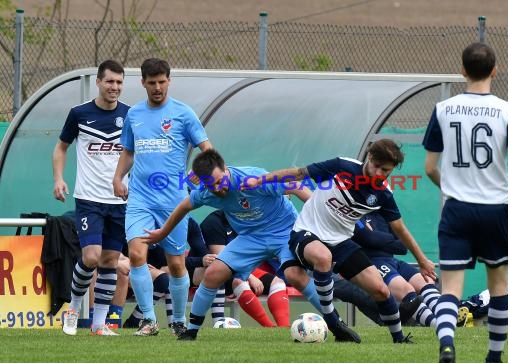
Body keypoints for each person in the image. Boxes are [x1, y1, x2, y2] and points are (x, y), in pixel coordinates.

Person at [143, 149, 357, 342]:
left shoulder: (252, 179)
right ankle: (191, 331)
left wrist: (318, 221)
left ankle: (336, 324)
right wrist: (162, 232)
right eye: (211, 185)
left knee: (294, 276)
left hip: (285, 232)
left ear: (226, 170)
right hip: (250, 237)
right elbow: (183, 207)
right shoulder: (206, 192)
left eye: (220, 182)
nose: (217, 189)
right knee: (213, 273)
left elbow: (296, 187)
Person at [244, 138, 437, 344]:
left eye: (386, 170)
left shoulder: (383, 194)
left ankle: (399, 338)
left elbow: (399, 228)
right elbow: (299, 173)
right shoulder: (342, 167)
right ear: (369, 158)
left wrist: (422, 260)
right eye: (377, 167)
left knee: (381, 290)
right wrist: (260, 180)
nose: (380, 174)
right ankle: (334, 322)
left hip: (341, 242)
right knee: (322, 257)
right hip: (306, 232)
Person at [422, 42, 508, 363]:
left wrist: (451, 190)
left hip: (457, 208)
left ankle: (447, 344)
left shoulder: (443, 109)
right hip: (495, 209)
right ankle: (494, 357)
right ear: (495, 70)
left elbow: (430, 167)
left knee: (450, 287)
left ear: (462, 70)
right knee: (499, 284)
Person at [112, 58, 212, 337]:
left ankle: (178, 320)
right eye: (152, 82)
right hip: (140, 198)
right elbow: (129, 151)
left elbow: (207, 149)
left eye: (162, 82)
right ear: (143, 82)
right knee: (135, 254)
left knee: (177, 263)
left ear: (169, 80)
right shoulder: (134, 115)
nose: (157, 87)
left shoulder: (183, 113)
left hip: (173, 202)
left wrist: (198, 176)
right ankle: (148, 320)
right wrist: (118, 177)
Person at [53, 59, 129, 336]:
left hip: (119, 200)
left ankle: (99, 324)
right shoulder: (79, 113)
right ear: (98, 82)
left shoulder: (131, 116)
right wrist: (59, 179)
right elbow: (61, 148)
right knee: (92, 256)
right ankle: (73, 310)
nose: (115, 87)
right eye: (109, 81)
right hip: (89, 199)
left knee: (110, 260)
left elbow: (133, 154)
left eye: (119, 82)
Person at [200, 210, 290, 327]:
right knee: (240, 282)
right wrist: (250, 276)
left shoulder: (248, 219)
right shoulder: (213, 222)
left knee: (278, 282)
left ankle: (284, 327)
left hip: (245, 269)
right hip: (221, 272)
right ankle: (269, 327)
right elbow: (221, 261)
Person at [353, 212, 441, 327]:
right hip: (373, 263)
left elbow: (402, 247)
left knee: (427, 281)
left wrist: (376, 236)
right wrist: (389, 239)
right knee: (406, 289)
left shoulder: (383, 213)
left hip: (393, 261)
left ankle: (447, 317)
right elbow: (369, 238)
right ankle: (437, 325)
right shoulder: (356, 214)